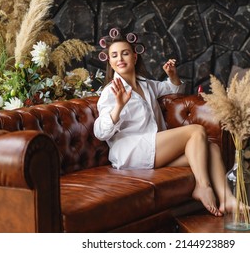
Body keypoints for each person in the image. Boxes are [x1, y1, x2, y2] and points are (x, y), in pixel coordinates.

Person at [93, 28, 239, 217]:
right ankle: (202, 187)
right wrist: (119, 106)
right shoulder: (110, 91)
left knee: (212, 149)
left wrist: (172, 75)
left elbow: (173, 88)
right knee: (195, 131)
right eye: (114, 55)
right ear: (110, 62)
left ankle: (227, 200)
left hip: (153, 146)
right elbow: (100, 132)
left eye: (125, 53)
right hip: (131, 151)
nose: (120, 58)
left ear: (135, 57)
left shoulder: (145, 83)